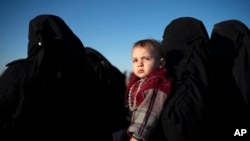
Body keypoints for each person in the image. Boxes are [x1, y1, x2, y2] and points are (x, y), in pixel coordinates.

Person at [124, 39, 171, 141]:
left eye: (146, 58)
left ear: (161, 63)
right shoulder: (139, 82)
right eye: (135, 60)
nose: (139, 64)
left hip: (144, 135)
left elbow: (149, 111)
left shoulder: (156, 82)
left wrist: (137, 136)